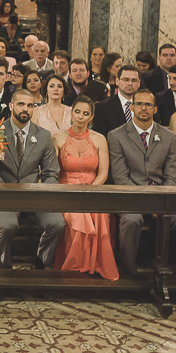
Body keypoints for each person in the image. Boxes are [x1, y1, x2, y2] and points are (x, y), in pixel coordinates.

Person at [109, 88, 176, 277]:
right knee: (131, 221)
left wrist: (162, 199)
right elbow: (120, 177)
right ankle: (129, 271)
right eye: (139, 104)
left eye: (148, 104)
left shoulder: (167, 137)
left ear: (155, 110)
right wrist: (147, 201)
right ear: (131, 107)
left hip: (163, 196)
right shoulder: (116, 136)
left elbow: (172, 176)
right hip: (130, 196)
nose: (143, 108)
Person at [0, 90, 64, 269]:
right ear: (11, 106)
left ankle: (41, 261)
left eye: (30, 105)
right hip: (4, 195)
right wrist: (8, 194)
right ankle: (6, 265)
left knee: (57, 224)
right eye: (21, 104)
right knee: (7, 226)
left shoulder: (43, 135)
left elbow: (51, 172)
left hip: (34, 195)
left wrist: (42, 192)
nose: (25, 109)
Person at [52, 96, 118, 281]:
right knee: (77, 216)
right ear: (71, 113)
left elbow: (103, 173)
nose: (80, 117)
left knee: (98, 214)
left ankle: (94, 265)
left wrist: (89, 191)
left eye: (85, 113)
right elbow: (53, 172)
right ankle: (74, 267)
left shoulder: (100, 139)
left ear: (91, 117)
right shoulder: (57, 138)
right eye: (77, 112)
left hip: (93, 190)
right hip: (66, 191)